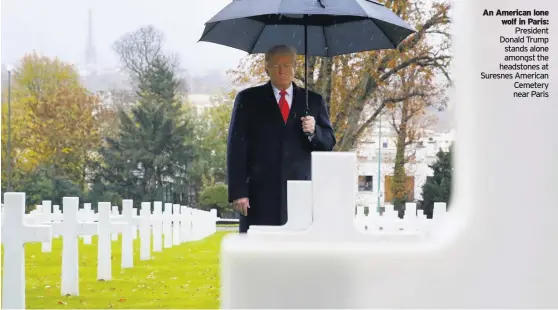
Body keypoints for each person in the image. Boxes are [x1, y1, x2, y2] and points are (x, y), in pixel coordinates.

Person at [227, 44, 336, 233]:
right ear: (266, 68)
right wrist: (239, 193)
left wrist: (314, 132)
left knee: (296, 255)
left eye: (287, 65)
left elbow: (328, 143)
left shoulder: (314, 101)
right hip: (259, 193)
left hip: (301, 193)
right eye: (276, 65)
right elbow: (236, 147)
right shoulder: (248, 99)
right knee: (260, 254)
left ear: (295, 67)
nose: (281, 70)